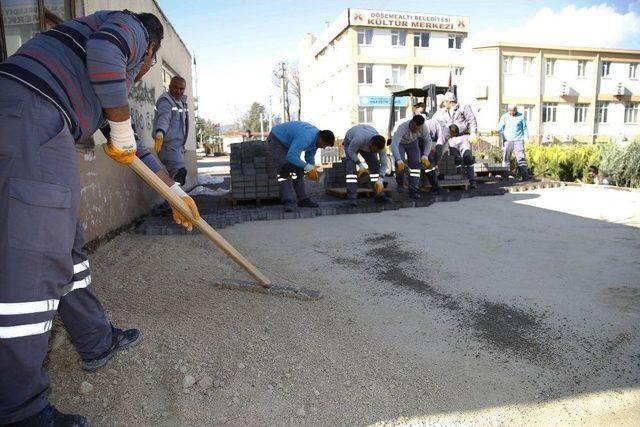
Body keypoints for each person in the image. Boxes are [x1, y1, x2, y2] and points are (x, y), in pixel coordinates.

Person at [0, 10, 200, 425]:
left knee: (66, 246)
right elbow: (108, 55)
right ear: (151, 50)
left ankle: (94, 340)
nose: (143, 73)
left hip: (31, 116)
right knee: (34, 266)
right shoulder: (127, 28)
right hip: (31, 118)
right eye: (149, 66)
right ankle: (19, 411)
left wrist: (175, 192)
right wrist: (122, 127)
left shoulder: (89, 72)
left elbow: (134, 147)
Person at [267, 121, 334, 212]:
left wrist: (311, 169)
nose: (323, 148)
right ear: (321, 139)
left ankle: (303, 200)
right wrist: (307, 167)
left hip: (289, 142)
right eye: (324, 145)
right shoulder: (306, 137)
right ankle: (288, 201)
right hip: (277, 138)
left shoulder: (316, 141)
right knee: (284, 169)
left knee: (298, 169)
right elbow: (291, 156)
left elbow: (309, 156)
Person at [343, 124, 394, 206]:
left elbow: (384, 164)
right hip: (350, 142)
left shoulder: (381, 147)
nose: (374, 152)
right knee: (351, 170)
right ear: (370, 144)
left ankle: (379, 196)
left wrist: (380, 179)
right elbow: (351, 152)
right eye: (374, 150)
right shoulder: (359, 138)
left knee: (375, 167)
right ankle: (352, 198)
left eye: (376, 151)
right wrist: (360, 165)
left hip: (365, 141)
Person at [153, 76, 190, 185]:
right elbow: (164, 118)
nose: (178, 91)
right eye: (175, 88)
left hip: (178, 147)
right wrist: (160, 132)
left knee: (177, 178)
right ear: (169, 87)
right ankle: (175, 201)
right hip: (168, 146)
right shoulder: (166, 101)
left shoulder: (181, 102)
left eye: (181, 89)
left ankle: (174, 200)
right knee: (179, 173)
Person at [391, 115, 431, 199]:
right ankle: (400, 182)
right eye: (414, 128)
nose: (415, 130)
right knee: (400, 164)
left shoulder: (423, 128)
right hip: (400, 143)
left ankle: (413, 189)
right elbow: (394, 144)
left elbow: (428, 141)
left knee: (416, 165)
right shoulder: (402, 127)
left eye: (418, 129)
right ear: (411, 123)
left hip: (412, 142)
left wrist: (425, 156)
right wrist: (398, 160)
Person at [497, 103, 532, 181]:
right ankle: (505, 176)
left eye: (513, 111)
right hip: (507, 140)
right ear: (508, 110)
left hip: (518, 140)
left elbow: (525, 129)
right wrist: (496, 130)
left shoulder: (521, 116)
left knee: (521, 158)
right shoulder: (504, 116)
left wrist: (526, 138)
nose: (512, 112)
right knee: (506, 158)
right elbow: (500, 126)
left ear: (516, 109)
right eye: (510, 111)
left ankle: (525, 176)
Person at [419, 118, 450, 194]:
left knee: (426, 163)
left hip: (419, 138)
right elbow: (439, 148)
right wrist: (435, 163)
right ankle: (435, 188)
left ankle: (419, 186)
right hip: (420, 139)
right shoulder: (444, 131)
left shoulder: (442, 126)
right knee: (429, 163)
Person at [447, 124, 477, 188]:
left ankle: (469, 181)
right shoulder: (441, 114)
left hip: (463, 139)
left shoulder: (467, 113)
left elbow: (472, 121)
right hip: (455, 139)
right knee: (460, 160)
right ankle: (463, 181)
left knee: (465, 159)